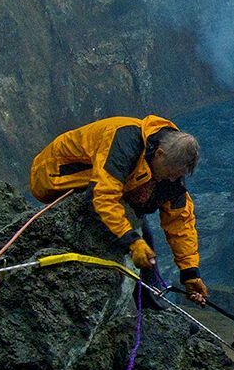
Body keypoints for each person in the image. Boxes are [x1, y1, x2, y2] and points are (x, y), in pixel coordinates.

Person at [29, 115, 208, 305]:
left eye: (177, 176)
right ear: (159, 154)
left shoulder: (169, 162)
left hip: (109, 183)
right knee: (132, 226)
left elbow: (180, 221)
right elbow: (102, 197)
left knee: (142, 231)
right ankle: (142, 294)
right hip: (57, 176)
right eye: (171, 174)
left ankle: (148, 297)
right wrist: (131, 241)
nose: (172, 179)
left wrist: (190, 272)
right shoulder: (124, 142)